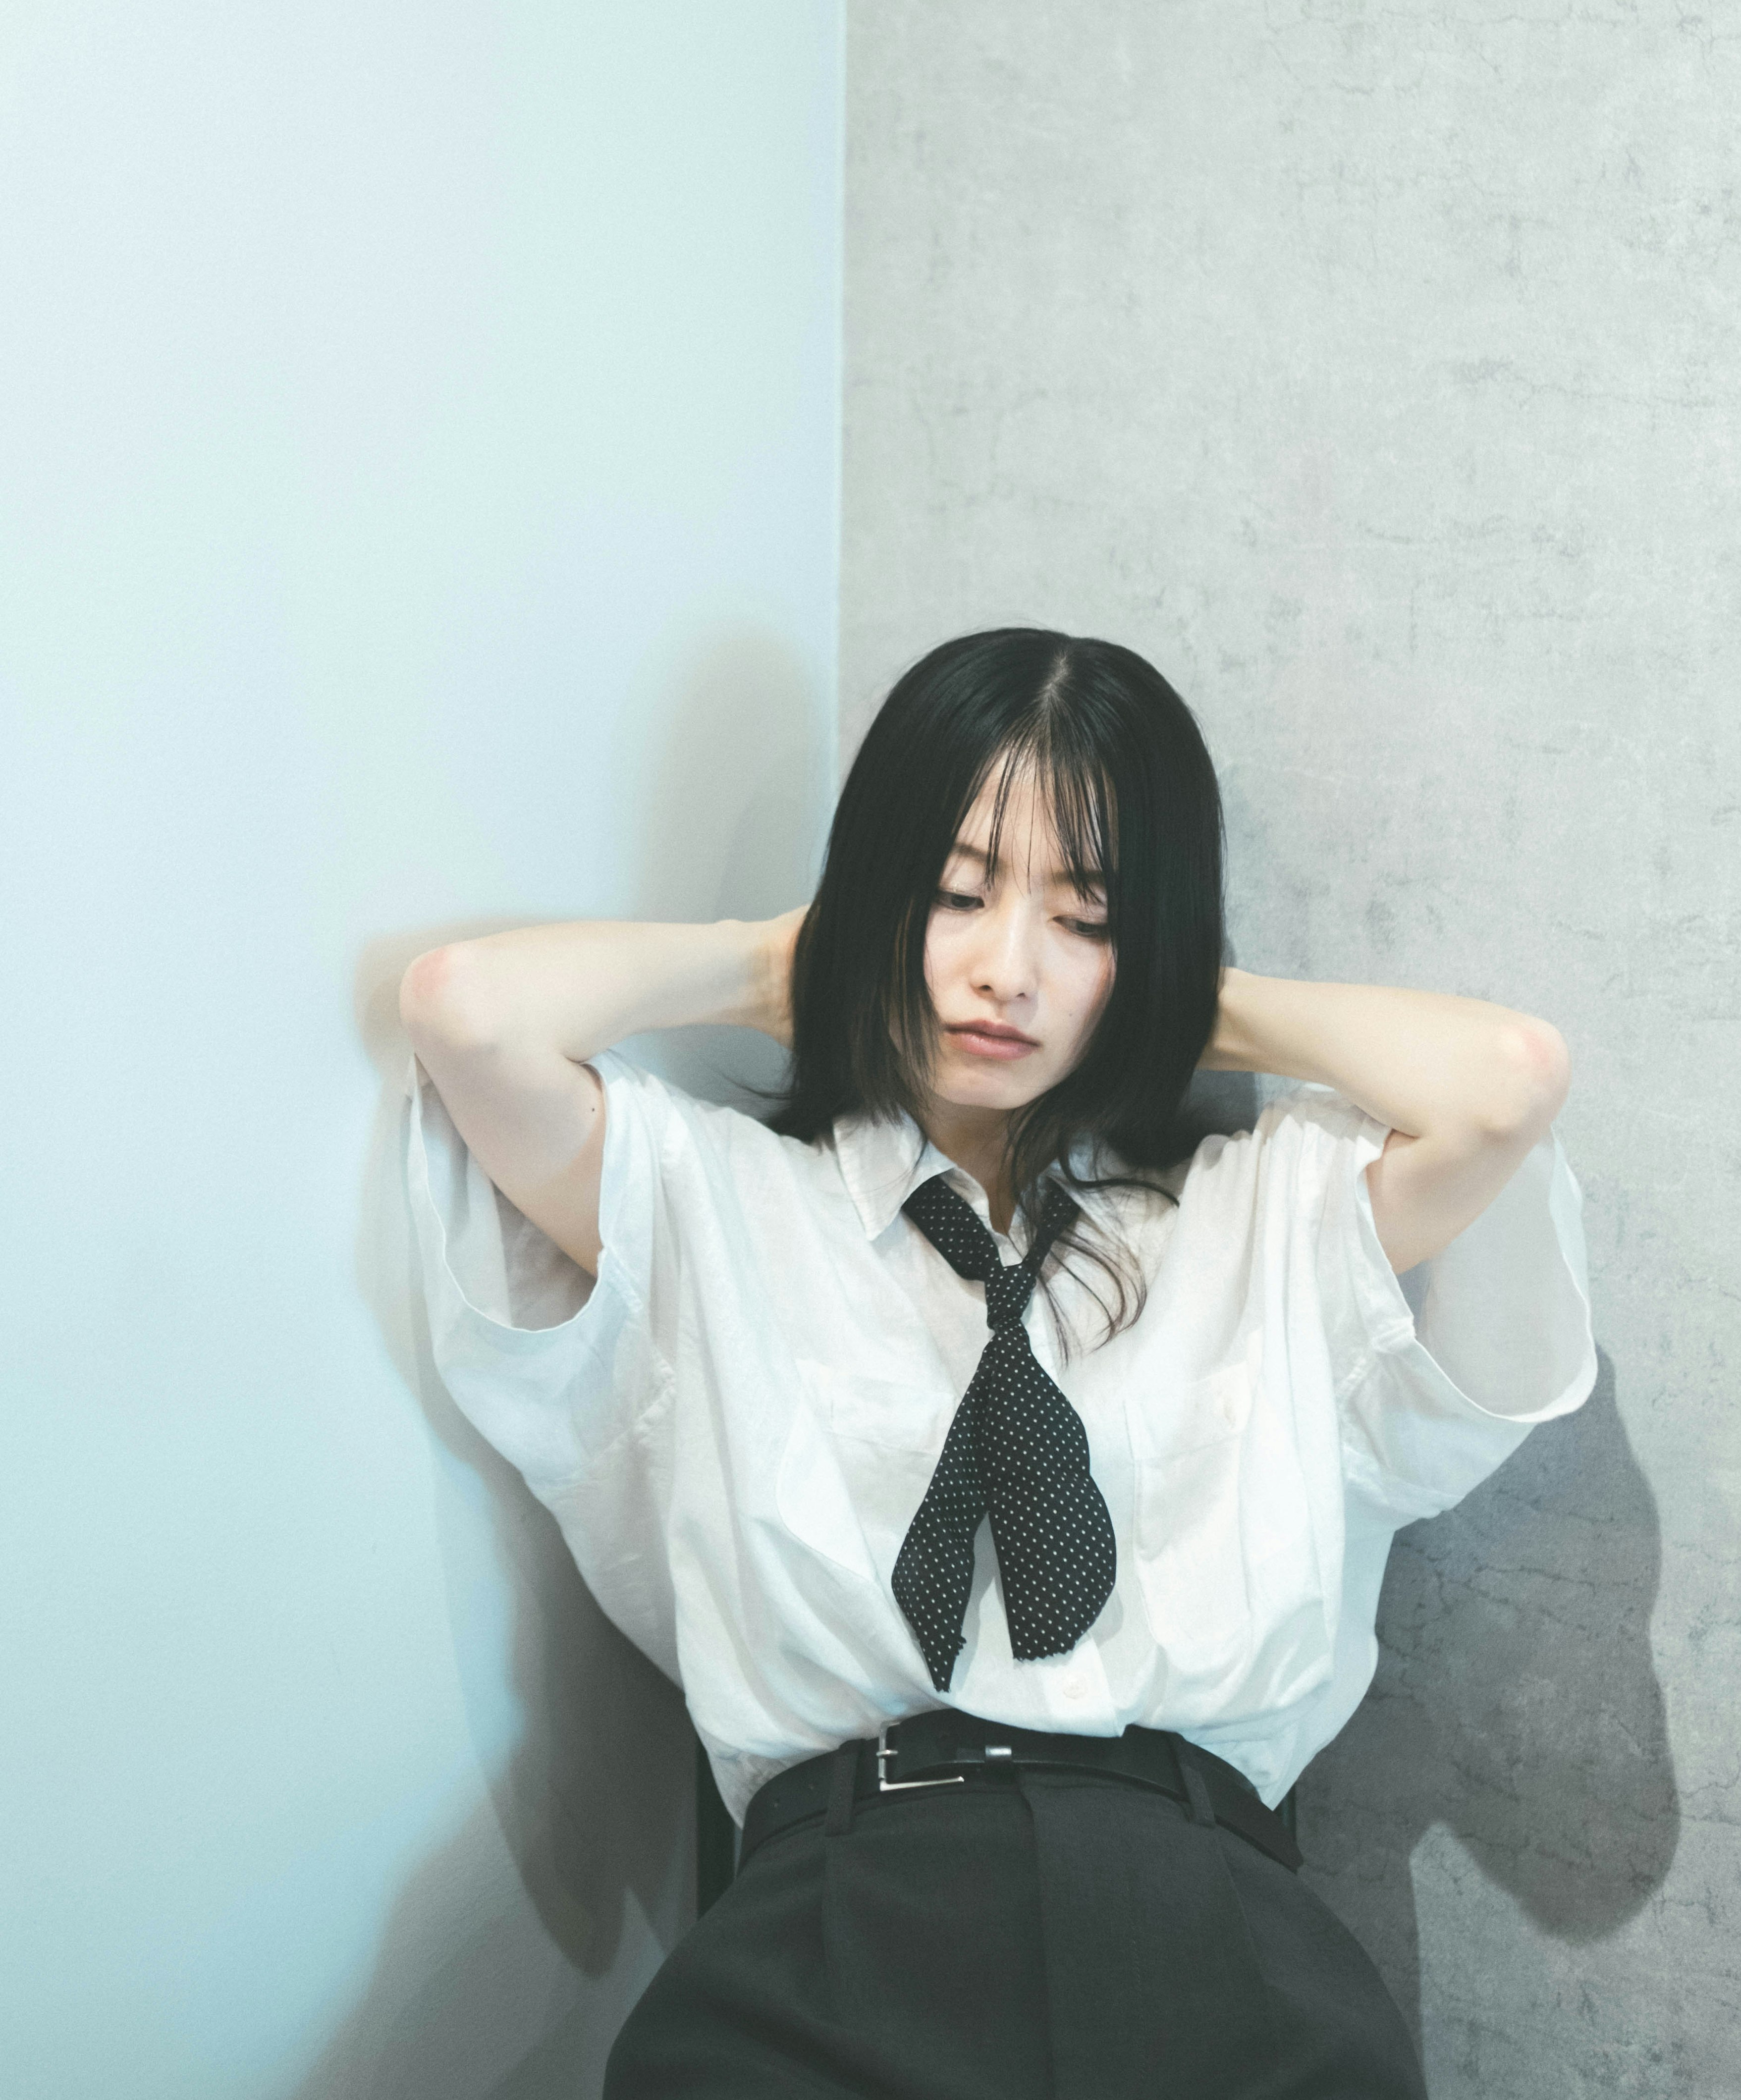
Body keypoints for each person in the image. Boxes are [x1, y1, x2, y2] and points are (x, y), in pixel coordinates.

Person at [399, 627, 1594, 2097]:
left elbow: (1509, 1084)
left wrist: (1184, 993)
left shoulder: (1271, 1217)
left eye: (1083, 920)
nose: (1003, 971)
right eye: (953, 893)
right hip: (826, 1934)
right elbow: (466, 1012)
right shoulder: (716, 1209)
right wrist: (786, 958)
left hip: (1214, 1940)